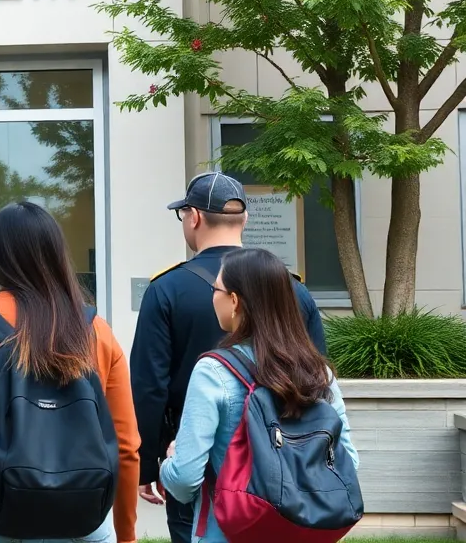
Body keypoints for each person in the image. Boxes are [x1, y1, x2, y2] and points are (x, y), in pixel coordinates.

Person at [0, 201, 141, 543]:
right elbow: (126, 447)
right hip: (82, 520)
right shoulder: (96, 332)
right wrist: (126, 534)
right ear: (57, 256)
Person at [131, 171, 327, 543]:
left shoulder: (166, 289)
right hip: (288, 457)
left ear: (194, 217)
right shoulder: (294, 289)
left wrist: (147, 464)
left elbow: (148, 386)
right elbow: (317, 381)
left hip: (196, 457)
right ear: (246, 219)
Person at [159, 247, 359, 543]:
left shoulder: (213, 372)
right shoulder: (318, 372)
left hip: (228, 533)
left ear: (235, 301)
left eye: (216, 289)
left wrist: (168, 464)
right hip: (302, 533)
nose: (212, 297)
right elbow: (348, 461)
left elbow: (186, 478)